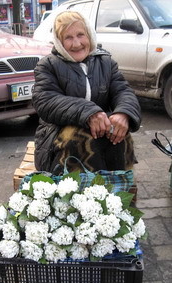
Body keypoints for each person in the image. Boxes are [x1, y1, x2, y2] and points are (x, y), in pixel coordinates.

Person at [32, 11, 141, 174]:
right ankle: (81, 195)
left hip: (101, 133)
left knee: (120, 136)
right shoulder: (47, 66)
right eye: (68, 38)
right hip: (57, 140)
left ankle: (119, 193)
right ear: (59, 42)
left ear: (89, 35)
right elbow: (46, 101)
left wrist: (123, 114)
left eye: (80, 35)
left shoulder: (106, 63)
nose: (76, 44)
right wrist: (90, 113)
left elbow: (123, 91)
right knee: (80, 138)